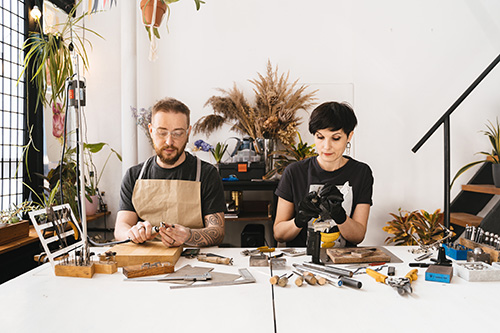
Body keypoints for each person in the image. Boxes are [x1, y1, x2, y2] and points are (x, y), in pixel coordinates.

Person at [115, 97, 226, 247]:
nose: (169, 141)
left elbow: (217, 232)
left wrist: (189, 236)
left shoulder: (207, 174)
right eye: (162, 132)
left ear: (188, 132)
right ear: (151, 130)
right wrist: (132, 233)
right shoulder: (134, 176)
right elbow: (121, 227)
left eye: (178, 133)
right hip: (146, 259)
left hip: (194, 260)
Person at [273, 101, 373, 248]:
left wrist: (340, 216)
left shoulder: (361, 173)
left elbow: (358, 236)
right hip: (301, 261)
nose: (326, 146)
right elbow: (279, 234)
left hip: (343, 262)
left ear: (349, 136)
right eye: (320, 137)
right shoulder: (294, 172)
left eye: (336, 138)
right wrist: (300, 219)